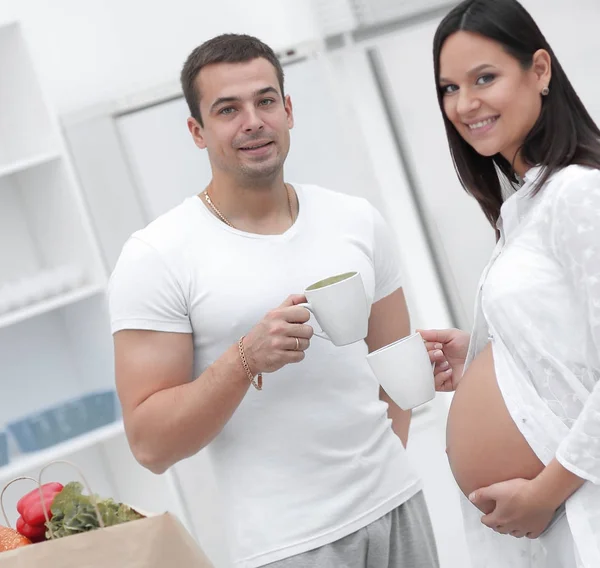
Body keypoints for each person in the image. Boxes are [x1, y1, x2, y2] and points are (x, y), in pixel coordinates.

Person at [107, 33, 439, 568]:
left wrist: (385, 470)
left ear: (288, 109)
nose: (253, 121)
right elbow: (150, 446)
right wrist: (245, 359)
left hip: (399, 507)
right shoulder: (156, 256)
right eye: (227, 110)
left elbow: (394, 362)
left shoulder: (355, 219)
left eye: (265, 101)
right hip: (285, 547)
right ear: (197, 131)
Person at [420, 0, 600, 566]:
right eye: (449, 87)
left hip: (572, 500)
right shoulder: (524, 206)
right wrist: (482, 357)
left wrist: (544, 494)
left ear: (540, 70)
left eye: (484, 78)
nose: (465, 103)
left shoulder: (578, 194)